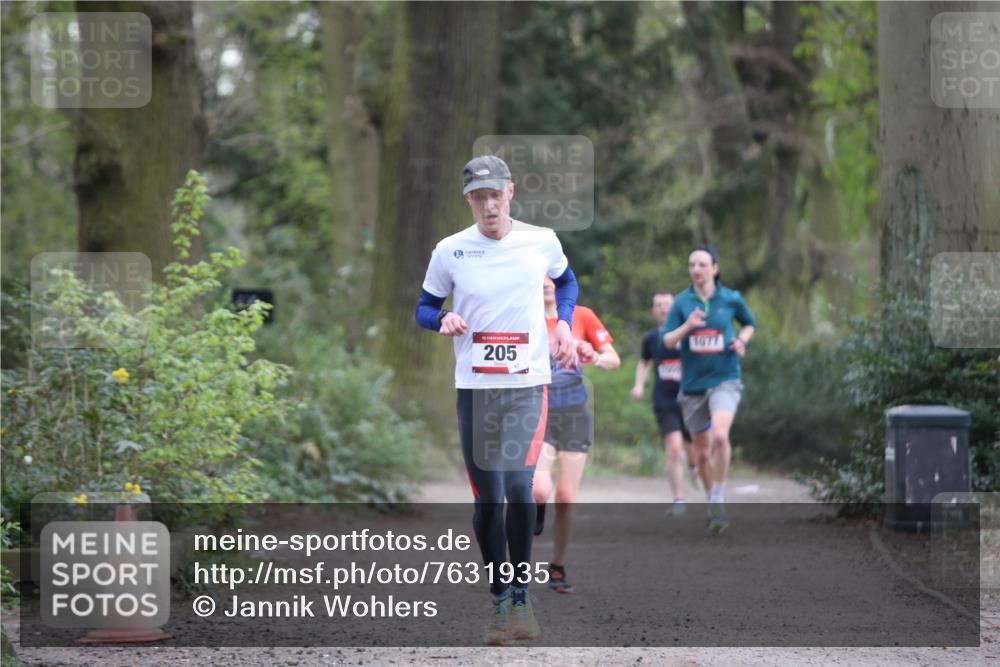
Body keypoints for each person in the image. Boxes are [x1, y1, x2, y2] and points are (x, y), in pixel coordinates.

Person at [415, 155, 578, 645]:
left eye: (495, 194)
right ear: (468, 199)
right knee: (488, 500)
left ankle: (522, 598)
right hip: (475, 389)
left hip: (527, 383)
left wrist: (564, 322)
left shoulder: (541, 241)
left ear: (510, 192)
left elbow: (566, 281)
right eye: (478, 197)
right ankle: (499, 595)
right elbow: (424, 307)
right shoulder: (449, 251)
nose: (488, 205)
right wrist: (440, 319)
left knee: (518, 487)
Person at [532, 277, 620, 594]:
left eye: (551, 278)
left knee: (566, 497)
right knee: (540, 490)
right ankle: (535, 510)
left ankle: (557, 565)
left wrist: (592, 356)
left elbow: (613, 359)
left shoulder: (581, 315)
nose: (545, 284)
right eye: (538, 278)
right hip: (536, 410)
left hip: (573, 412)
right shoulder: (523, 314)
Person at [661, 245, 756, 534]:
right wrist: (687, 326)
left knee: (720, 435)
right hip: (692, 387)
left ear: (714, 268)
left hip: (725, 378)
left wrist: (741, 341)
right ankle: (712, 502)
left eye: (702, 264)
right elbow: (667, 341)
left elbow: (749, 324)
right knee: (702, 455)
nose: (696, 270)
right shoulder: (681, 303)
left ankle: (718, 497)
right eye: (692, 265)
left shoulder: (730, 299)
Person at [631, 291, 695, 515]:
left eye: (667, 304)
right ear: (653, 310)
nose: (663, 309)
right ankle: (679, 499)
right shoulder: (650, 338)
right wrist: (639, 385)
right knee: (675, 449)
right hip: (664, 399)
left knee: (695, 450)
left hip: (692, 399)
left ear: (675, 307)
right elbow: (644, 363)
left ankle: (696, 467)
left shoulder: (688, 334)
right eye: (658, 305)